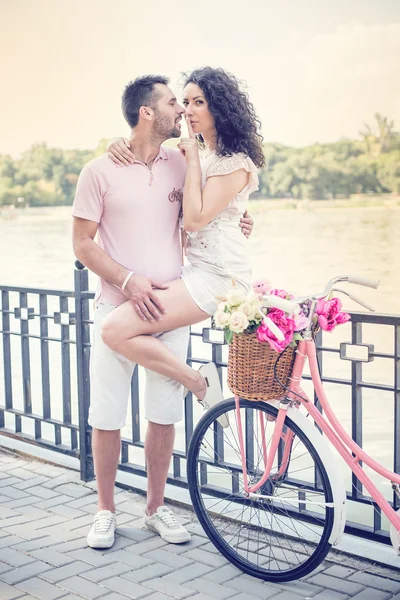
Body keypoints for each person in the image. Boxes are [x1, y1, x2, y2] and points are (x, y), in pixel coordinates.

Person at [72, 71, 255, 550]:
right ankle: (105, 511)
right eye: (175, 103)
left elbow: (210, 205)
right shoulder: (100, 170)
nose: (182, 110)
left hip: (173, 298)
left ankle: (155, 510)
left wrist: (240, 217)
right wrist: (127, 281)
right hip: (118, 305)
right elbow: (81, 245)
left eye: (188, 102)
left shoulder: (180, 160)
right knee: (107, 416)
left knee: (162, 415)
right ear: (146, 112)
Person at [102, 66, 265, 413]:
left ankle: (197, 383)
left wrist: (191, 159)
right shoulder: (202, 157)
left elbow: (193, 220)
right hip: (196, 271)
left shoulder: (233, 162)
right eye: (184, 101)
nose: (187, 110)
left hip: (222, 277)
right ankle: (196, 381)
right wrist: (118, 143)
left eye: (198, 102)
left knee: (114, 329)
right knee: (114, 329)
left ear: (218, 108)